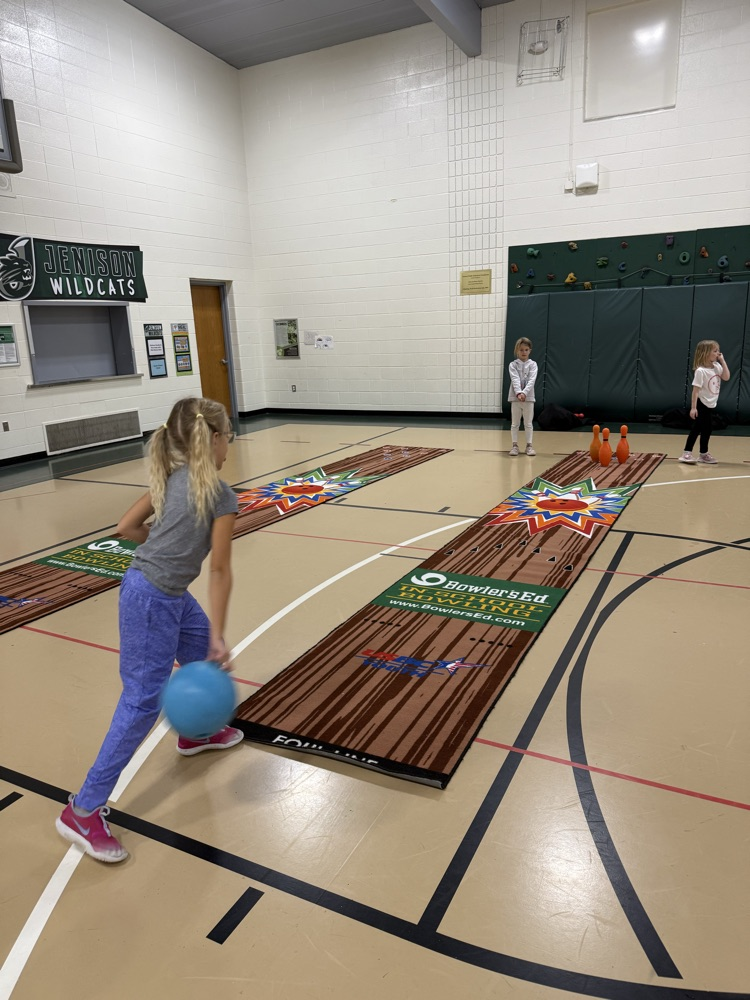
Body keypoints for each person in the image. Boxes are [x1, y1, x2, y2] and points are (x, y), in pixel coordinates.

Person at [56, 397, 243, 862]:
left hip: (164, 592)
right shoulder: (220, 495)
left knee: (197, 650)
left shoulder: (172, 477)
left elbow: (126, 527)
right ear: (215, 440)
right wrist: (222, 634)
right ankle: (83, 809)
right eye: (228, 438)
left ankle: (194, 733)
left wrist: (160, 542)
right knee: (142, 700)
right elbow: (220, 570)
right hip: (150, 599)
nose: (228, 448)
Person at [678, 341, 730, 465]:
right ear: (706, 353)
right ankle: (689, 453)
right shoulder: (701, 371)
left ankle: (700, 453)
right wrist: (693, 408)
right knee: (702, 428)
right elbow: (695, 391)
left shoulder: (717, 366)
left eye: (718, 350)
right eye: (715, 351)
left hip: (711, 404)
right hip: (702, 403)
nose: (718, 353)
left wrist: (723, 361)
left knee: (703, 428)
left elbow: (726, 377)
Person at [507, 336, 538, 456]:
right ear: (517, 351)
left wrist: (524, 393)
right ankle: (514, 446)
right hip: (515, 399)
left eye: (526, 349)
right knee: (515, 423)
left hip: (528, 399)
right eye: (521, 350)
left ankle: (529, 446)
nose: (523, 352)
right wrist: (519, 393)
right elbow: (514, 379)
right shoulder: (513, 365)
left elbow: (532, 380)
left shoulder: (533, 364)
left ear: (530, 350)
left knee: (528, 423)